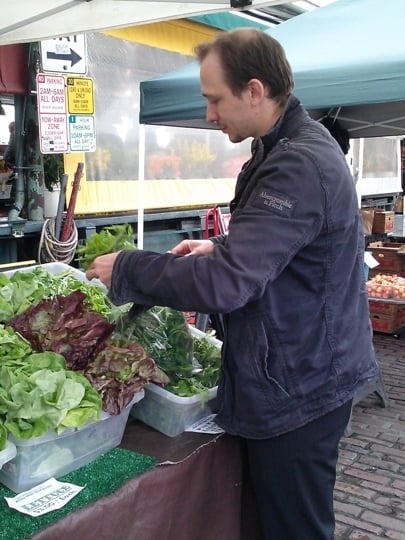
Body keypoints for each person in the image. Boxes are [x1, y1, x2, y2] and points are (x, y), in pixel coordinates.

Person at [86, 28, 377, 540]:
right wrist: (218, 248)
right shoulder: (281, 149)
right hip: (299, 373)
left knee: (295, 529)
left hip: (301, 387)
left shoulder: (297, 164)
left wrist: (129, 269)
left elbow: (227, 286)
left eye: (215, 99)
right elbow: (275, 254)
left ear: (256, 90)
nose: (210, 115)